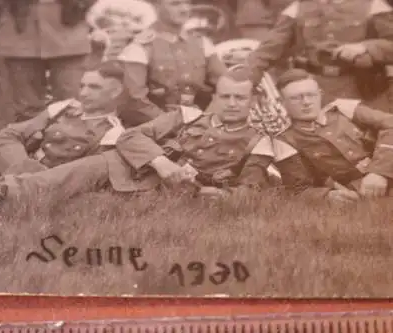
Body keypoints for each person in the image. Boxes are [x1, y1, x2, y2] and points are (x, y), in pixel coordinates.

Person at [0, 69, 276, 219]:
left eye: (239, 98)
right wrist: (162, 163)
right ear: (216, 96)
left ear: (252, 100)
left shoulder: (260, 141)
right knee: (38, 185)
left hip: (165, 195)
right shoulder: (184, 117)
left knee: (68, 203)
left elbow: (248, 190)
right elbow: (133, 136)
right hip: (123, 167)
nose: (230, 104)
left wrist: (210, 192)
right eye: (224, 96)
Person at [244, 0, 393, 112]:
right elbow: (269, 48)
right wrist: (246, 80)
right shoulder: (299, 7)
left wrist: (366, 47)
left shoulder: (373, 5)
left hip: (361, 91)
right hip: (310, 90)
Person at [271, 68, 393, 204]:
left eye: (311, 95)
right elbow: (298, 188)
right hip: (358, 193)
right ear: (282, 103)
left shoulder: (344, 109)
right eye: (295, 98)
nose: (306, 102)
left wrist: (379, 172)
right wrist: (327, 196)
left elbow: (390, 124)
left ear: (320, 94)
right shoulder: (286, 140)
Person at [0, 0, 96, 122]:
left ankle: (71, 138)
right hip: (20, 32)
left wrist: (81, 6)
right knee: (27, 104)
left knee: (69, 99)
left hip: (70, 30)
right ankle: (32, 137)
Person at [116, 0, 229, 127]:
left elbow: (227, 84)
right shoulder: (140, 46)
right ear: (157, 6)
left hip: (198, 125)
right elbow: (134, 100)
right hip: (152, 128)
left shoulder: (201, 43)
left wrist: (207, 118)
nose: (184, 9)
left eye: (187, 3)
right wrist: (171, 124)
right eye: (175, 4)